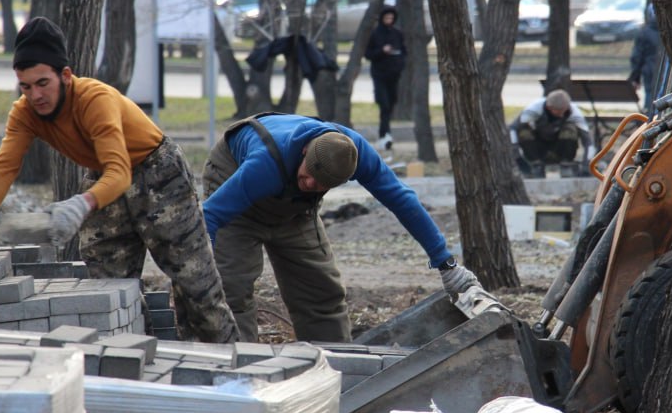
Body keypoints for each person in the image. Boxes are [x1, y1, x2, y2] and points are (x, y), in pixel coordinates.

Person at [0, 17, 238, 343]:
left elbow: (120, 171)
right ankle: (141, 361)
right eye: (26, 86)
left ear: (66, 76)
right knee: (110, 290)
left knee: (196, 287)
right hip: (104, 181)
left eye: (43, 83)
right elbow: (4, 167)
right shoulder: (24, 113)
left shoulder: (94, 100)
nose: (35, 96)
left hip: (157, 173)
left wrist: (80, 204)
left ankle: (229, 372)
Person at [200, 113, 480, 343]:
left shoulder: (354, 155)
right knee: (231, 287)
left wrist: (446, 263)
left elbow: (402, 200)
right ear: (305, 151)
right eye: (309, 176)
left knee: (321, 292)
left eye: (322, 185)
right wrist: (199, 269)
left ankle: (336, 371)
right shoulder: (263, 166)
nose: (312, 185)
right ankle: (235, 373)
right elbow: (210, 216)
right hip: (233, 182)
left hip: (294, 206)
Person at [508, 89, 593, 177]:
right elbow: (512, 129)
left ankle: (566, 164)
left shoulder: (575, 113)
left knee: (570, 129)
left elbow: (588, 142)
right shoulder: (534, 108)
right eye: (559, 111)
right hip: (538, 147)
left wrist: (587, 166)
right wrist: (517, 157)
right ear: (549, 107)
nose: (562, 115)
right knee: (523, 130)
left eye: (564, 110)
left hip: (560, 148)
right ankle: (536, 165)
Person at [364, 5, 406, 151]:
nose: (389, 20)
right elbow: (368, 54)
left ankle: (386, 135)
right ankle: (384, 134)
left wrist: (400, 64)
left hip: (394, 74)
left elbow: (403, 52)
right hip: (380, 74)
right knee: (384, 104)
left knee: (390, 104)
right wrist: (382, 51)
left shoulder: (397, 34)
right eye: (387, 18)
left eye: (391, 18)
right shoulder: (376, 34)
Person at [629, 3, 664, 117]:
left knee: (650, 96)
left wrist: (635, 77)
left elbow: (637, 57)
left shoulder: (644, 33)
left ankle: (649, 119)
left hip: (649, 72)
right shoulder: (670, 31)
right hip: (665, 72)